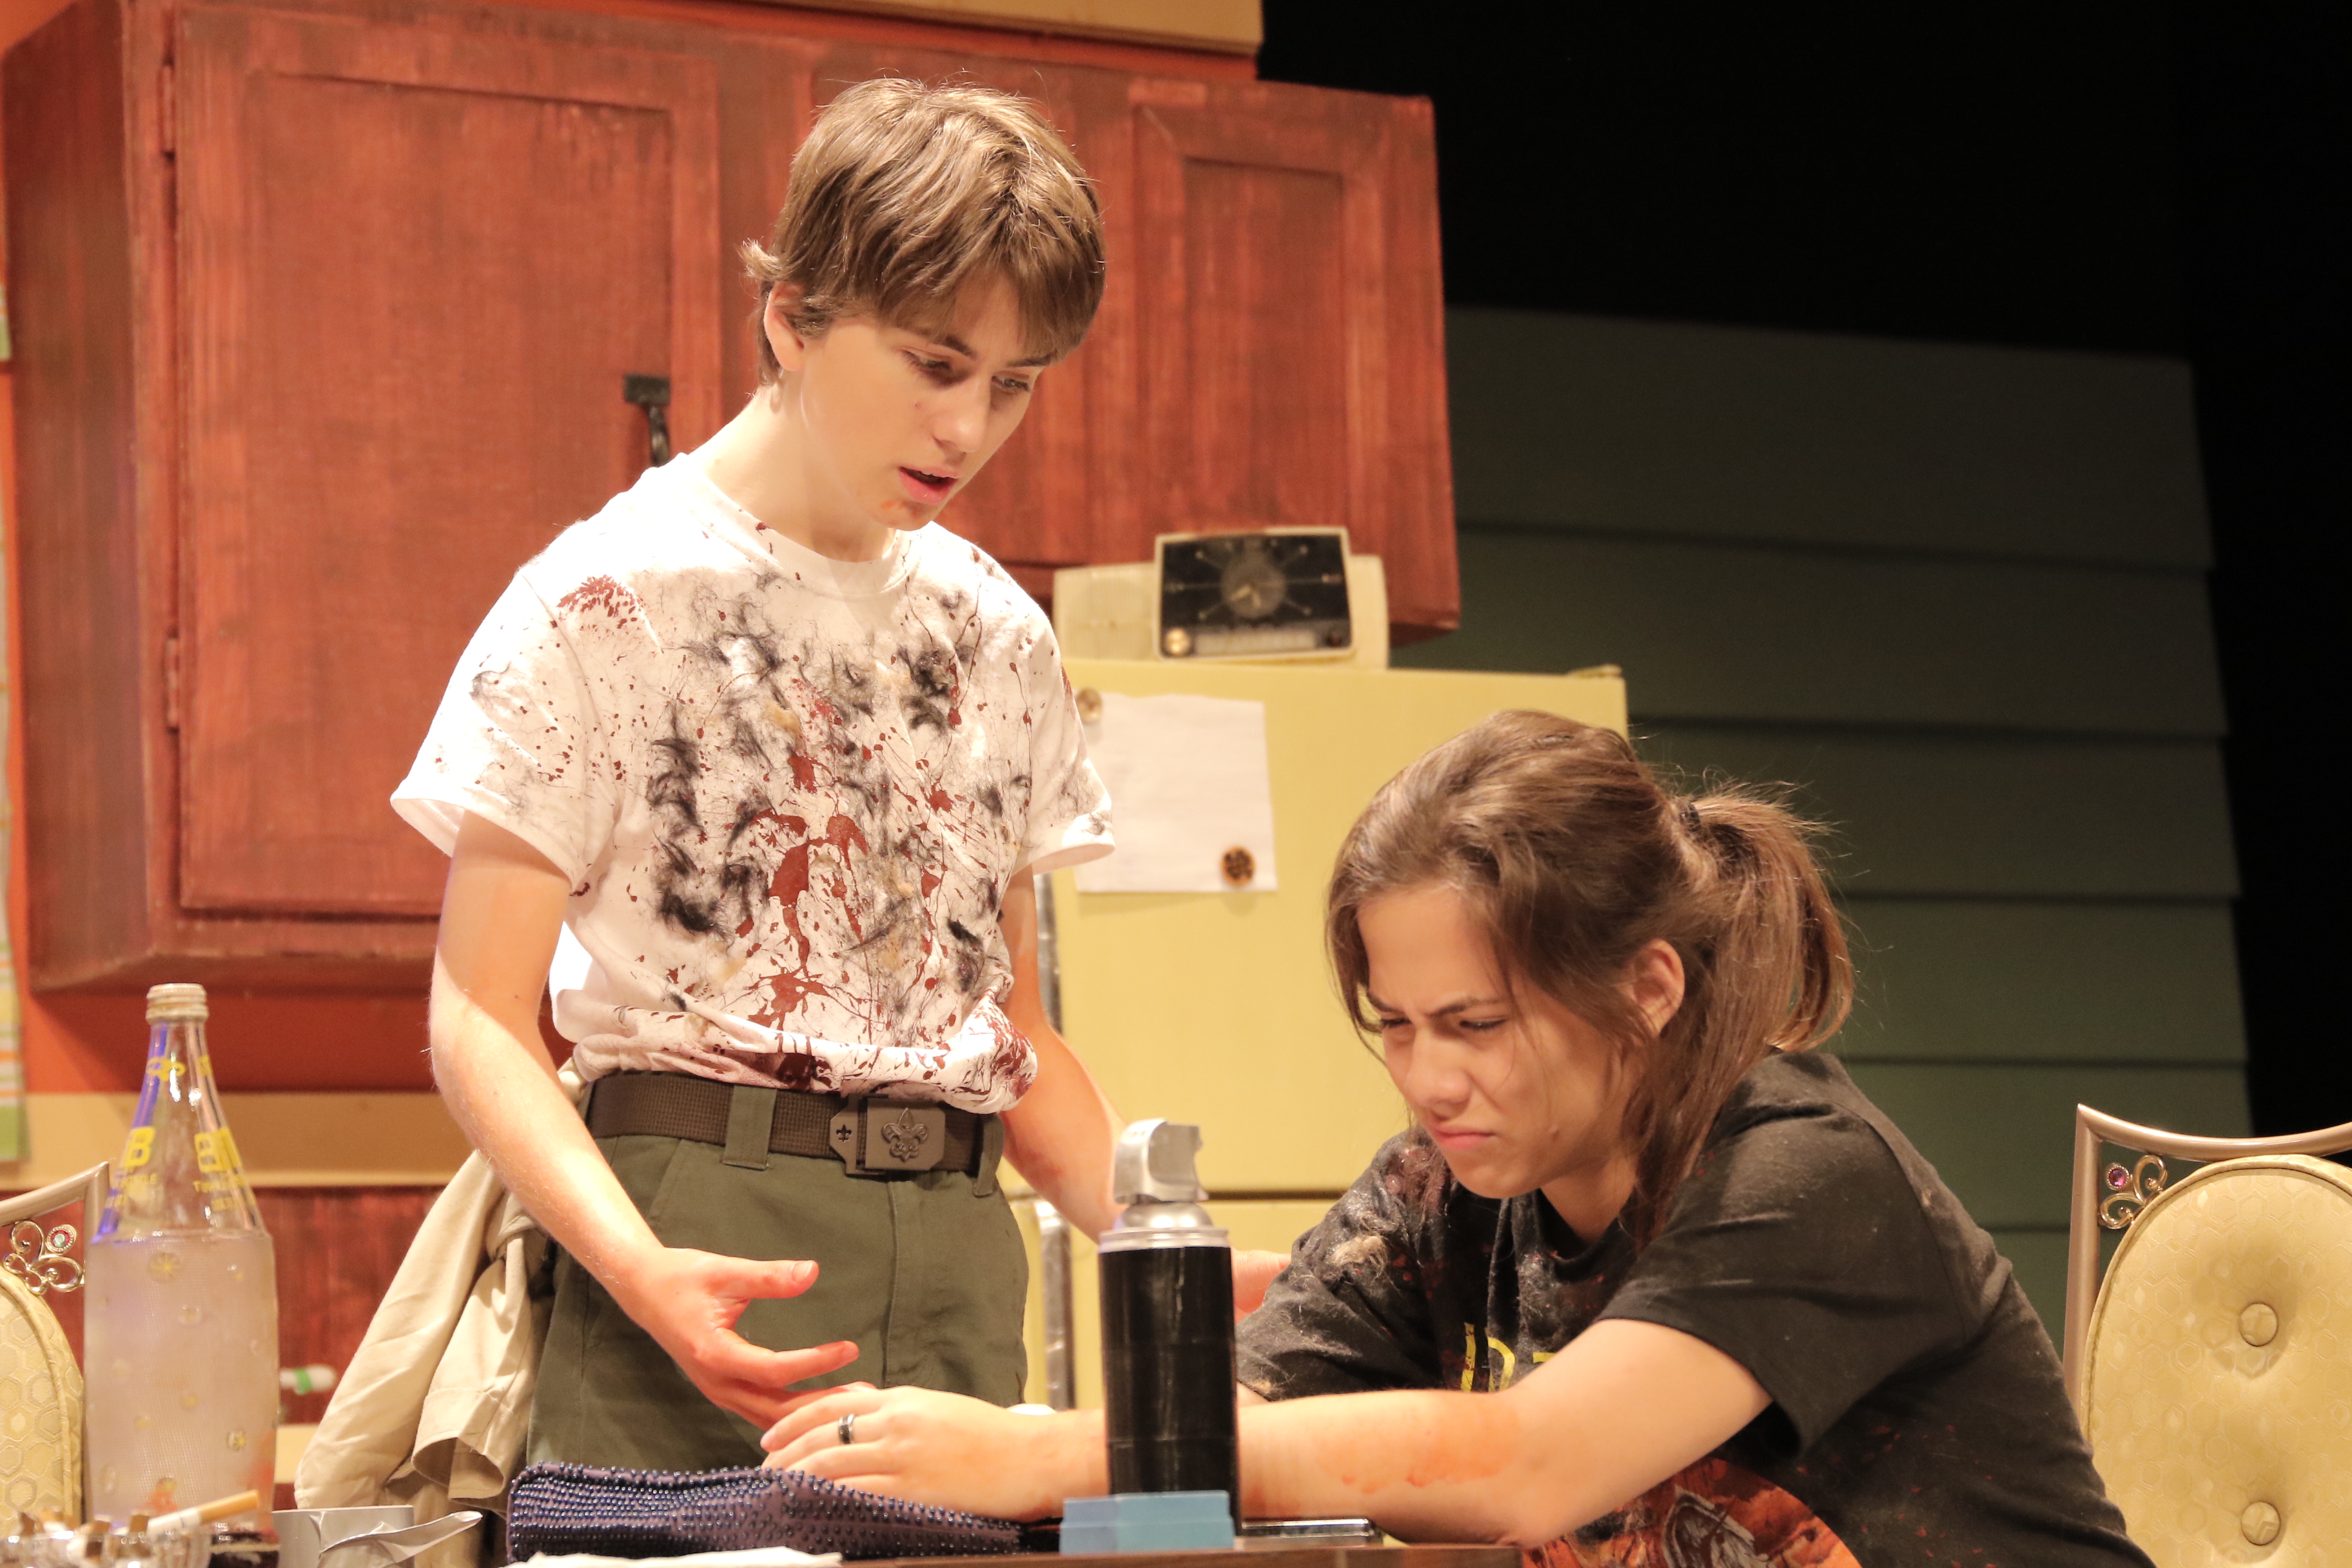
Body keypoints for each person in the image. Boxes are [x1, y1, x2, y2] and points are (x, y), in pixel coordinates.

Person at [757, 711, 2155, 1567]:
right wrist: (1053, 1457)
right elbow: (1239, 1415)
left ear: (1646, 989)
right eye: (1400, 1025)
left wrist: (1053, 1455)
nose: (1429, 1079)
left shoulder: (1803, 1174)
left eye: (1477, 1024)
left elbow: (1527, 1463)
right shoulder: (1441, 1191)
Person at [393, 78, 1227, 1473]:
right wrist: (638, 1269)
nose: (968, 429)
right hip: (691, 1234)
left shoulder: (997, 633)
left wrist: (1168, 1247)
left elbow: (1011, 1029)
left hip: (957, 1252)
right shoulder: (601, 600)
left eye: (1014, 385)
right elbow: (477, 1017)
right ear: (792, 317)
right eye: (935, 364)